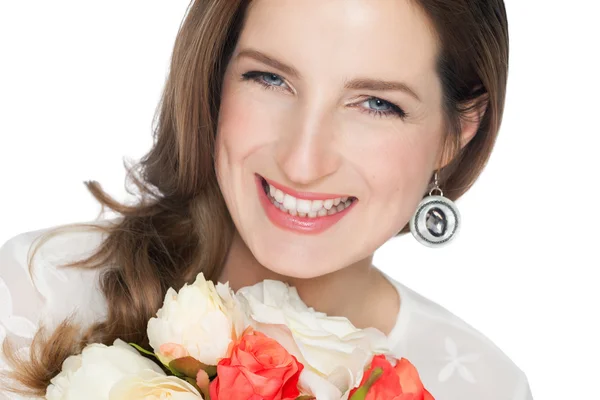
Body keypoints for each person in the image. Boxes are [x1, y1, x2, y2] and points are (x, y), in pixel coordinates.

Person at [0, 0, 533, 398]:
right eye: (270, 78)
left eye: (376, 104)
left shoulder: (483, 385)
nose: (302, 161)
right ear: (215, 80)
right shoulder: (37, 294)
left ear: (457, 132)